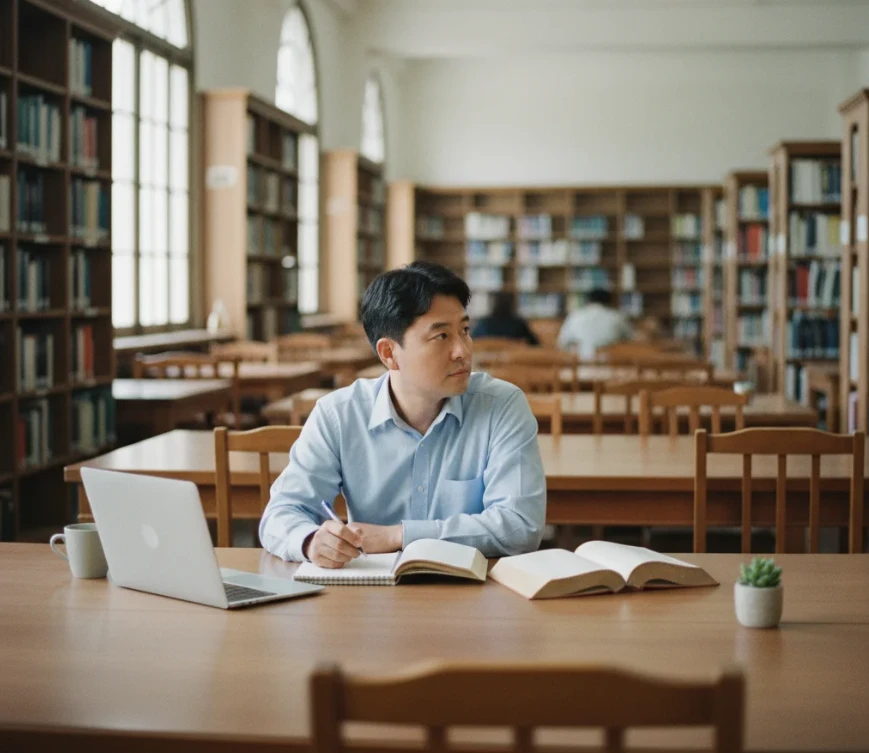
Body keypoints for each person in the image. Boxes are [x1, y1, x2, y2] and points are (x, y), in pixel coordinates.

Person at [259, 261, 546, 567]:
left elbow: (520, 526)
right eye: (442, 336)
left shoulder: (501, 406)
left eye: (464, 331)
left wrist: (399, 536)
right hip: (370, 591)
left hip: (473, 589)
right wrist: (310, 541)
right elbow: (281, 513)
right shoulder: (339, 415)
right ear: (389, 353)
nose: (463, 351)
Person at [556, 288, 632, 359]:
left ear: (588, 300)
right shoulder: (617, 317)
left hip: (581, 364)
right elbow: (631, 340)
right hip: (613, 363)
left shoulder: (575, 316)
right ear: (609, 301)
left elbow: (562, 342)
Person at [471, 292, 539, 345]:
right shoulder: (518, 324)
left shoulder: (484, 322)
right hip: (512, 358)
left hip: (485, 357)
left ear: (494, 304)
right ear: (512, 305)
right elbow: (535, 343)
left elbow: (472, 339)